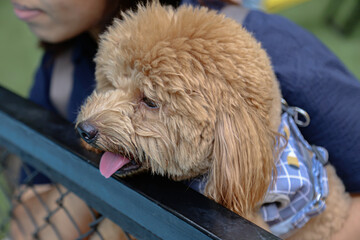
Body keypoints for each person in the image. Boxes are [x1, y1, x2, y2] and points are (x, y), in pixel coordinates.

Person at [10, 0, 360, 238]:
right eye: (110, 87)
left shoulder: (279, 55)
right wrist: (97, 172)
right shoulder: (61, 68)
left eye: (148, 101)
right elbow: (27, 229)